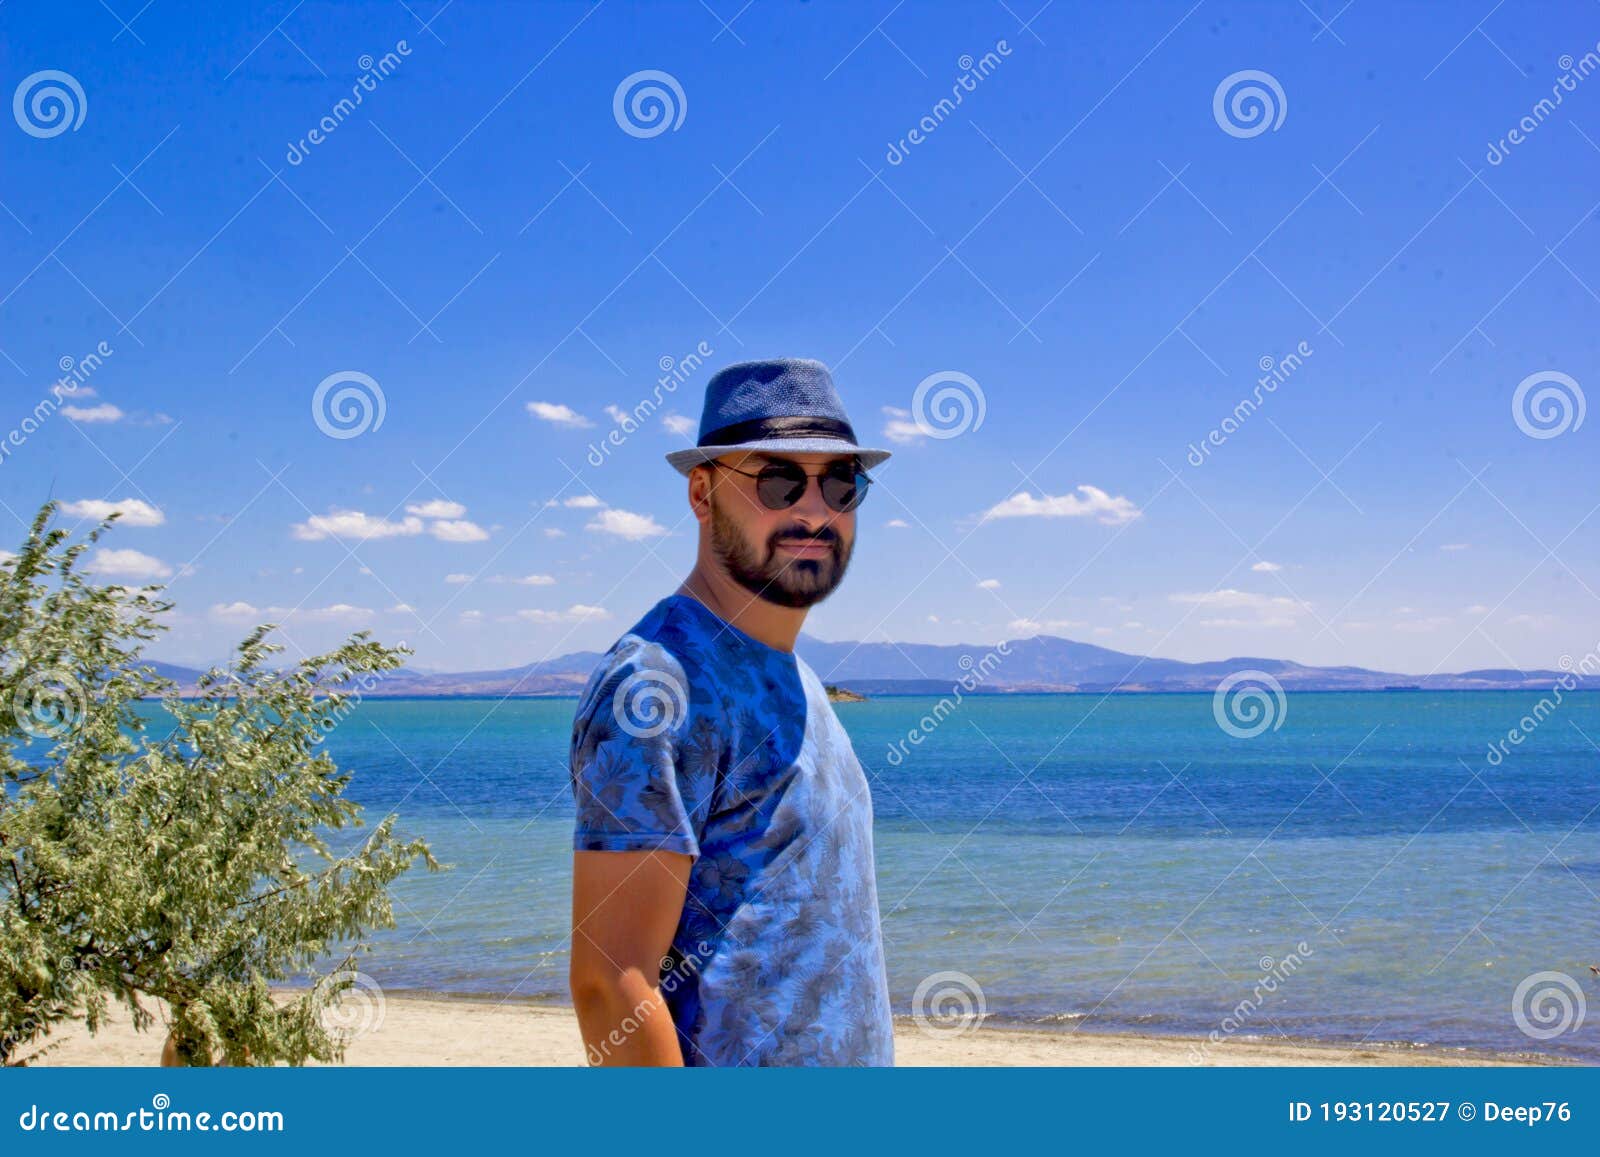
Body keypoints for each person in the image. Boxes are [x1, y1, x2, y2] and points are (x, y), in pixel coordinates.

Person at [566, 357, 895, 1066]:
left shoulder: (799, 679)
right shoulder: (655, 687)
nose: (814, 509)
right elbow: (608, 983)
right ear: (702, 492)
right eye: (778, 479)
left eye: (841, 482)